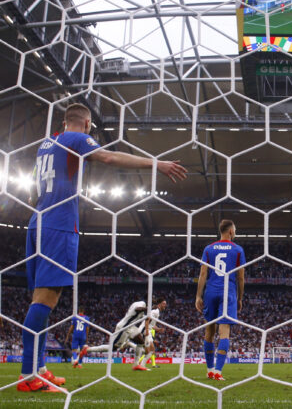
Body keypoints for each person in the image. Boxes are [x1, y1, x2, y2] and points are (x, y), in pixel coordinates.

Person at [19, 103, 187, 392]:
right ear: (86, 124)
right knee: (45, 301)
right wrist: (155, 164)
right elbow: (108, 157)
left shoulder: (47, 144)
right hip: (58, 225)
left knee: (42, 300)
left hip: (39, 220)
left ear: (63, 120)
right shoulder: (74, 138)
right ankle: (28, 375)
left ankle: (39, 368)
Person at [195, 219, 246, 381]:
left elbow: (203, 274)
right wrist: (239, 298)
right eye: (235, 230)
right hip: (228, 292)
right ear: (230, 231)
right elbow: (241, 277)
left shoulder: (209, 249)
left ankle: (209, 370)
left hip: (210, 291)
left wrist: (198, 295)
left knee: (209, 332)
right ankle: (218, 372)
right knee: (224, 332)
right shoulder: (238, 250)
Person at [77, 300, 151, 372]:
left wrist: (147, 317)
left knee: (141, 342)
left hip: (131, 327)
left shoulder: (142, 307)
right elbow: (137, 309)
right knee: (113, 348)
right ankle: (87, 349)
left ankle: (136, 364)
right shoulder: (141, 304)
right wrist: (147, 308)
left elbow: (139, 315)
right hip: (124, 328)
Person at [138, 298, 167, 369]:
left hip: (149, 330)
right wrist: (147, 331)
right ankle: (140, 364)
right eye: (164, 304)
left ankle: (140, 364)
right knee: (150, 350)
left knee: (151, 350)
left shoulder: (157, 312)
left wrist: (159, 329)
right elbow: (147, 320)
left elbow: (152, 325)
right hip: (144, 330)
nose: (165, 305)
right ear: (159, 304)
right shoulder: (155, 311)